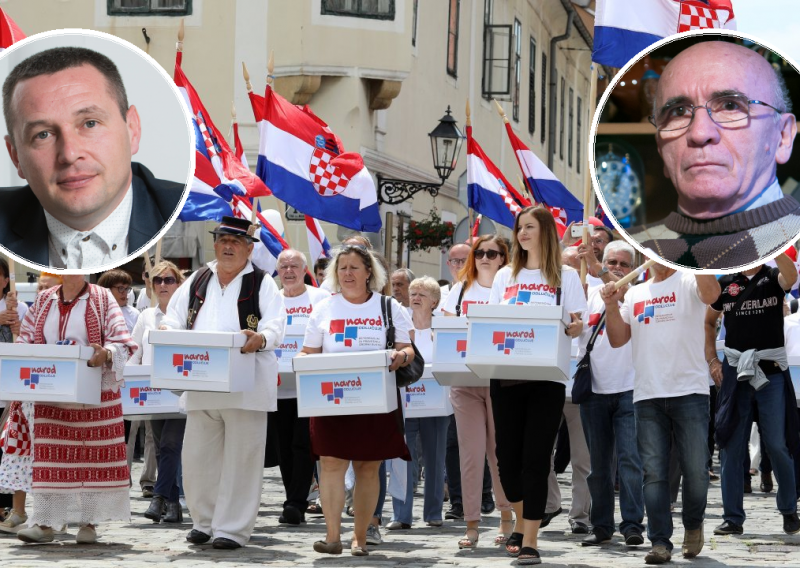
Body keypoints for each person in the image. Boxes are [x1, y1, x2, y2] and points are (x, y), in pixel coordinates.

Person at [161, 216, 286, 550]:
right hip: (201, 381)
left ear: (248, 248)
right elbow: (172, 318)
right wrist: (170, 334)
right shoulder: (197, 279)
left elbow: (276, 325)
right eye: (223, 240)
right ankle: (204, 521)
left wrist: (260, 338)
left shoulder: (262, 283)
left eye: (236, 242)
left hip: (247, 385)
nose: (228, 246)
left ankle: (231, 529)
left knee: (242, 460)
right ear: (215, 243)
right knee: (198, 458)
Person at [0, 46, 185, 269]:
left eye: (90, 123)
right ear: (15, 156)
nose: (69, 154)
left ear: (132, 130)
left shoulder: (190, 211)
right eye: (43, 134)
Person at [627, 41, 799, 269]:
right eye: (678, 111)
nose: (699, 133)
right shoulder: (626, 252)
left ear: (783, 137)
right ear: (661, 147)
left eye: (730, 106)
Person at [299, 244, 414, 556]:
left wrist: (401, 355)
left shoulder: (389, 307)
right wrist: (300, 360)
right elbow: (309, 352)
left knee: (367, 467)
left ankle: (359, 538)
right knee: (332, 465)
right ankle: (333, 536)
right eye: (342, 267)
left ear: (368, 273)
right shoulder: (324, 308)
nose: (347, 273)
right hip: (330, 400)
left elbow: (408, 348)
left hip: (375, 401)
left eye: (354, 267)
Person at [601, 263, 720, 564]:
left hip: (690, 391)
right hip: (647, 393)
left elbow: (713, 293)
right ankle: (660, 541)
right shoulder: (637, 291)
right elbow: (617, 339)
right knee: (653, 473)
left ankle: (693, 523)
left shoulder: (690, 278)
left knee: (695, 470)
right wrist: (611, 305)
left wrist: (696, 257)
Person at [488, 206, 587, 565]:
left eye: (529, 227)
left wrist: (576, 327)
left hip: (547, 378)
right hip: (506, 375)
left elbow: (579, 321)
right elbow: (492, 321)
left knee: (535, 459)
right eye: (519, 228)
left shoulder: (565, 277)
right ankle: (521, 517)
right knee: (505, 462)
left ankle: (530, 539)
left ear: (545, 231)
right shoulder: (504, 276)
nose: (522, 233)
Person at [14, 274, 137, 544]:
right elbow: (25, 339)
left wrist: (105, 353)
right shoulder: (44, 299)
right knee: (50, 458)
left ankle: (89, 524)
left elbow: (123, 342)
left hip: (95, 395)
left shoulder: (103, 298)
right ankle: (46, 523)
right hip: (51, 393)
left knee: (92, 458)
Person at [705, 253, 800, 536]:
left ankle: (788, 509)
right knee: (732, 445)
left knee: (777, 443)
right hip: (736, 374)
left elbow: (791, 277)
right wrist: (712, 360)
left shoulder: (772, 277)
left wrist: (776, 249)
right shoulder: (725, 283)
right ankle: (732, 517)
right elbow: (709, 322)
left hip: (770, 373)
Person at [442, 234, 515, 550]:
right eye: (480, 252)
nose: (485, 257)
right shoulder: (458, 291)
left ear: (503, 258)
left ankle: (507, 518)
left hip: (501, 381)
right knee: (470, 456)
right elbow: (444, 332)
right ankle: (471, 524)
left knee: (500, 454)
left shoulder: (509, 289)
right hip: (464, 381)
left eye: (492, 253)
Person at [576, 241, 646, 547]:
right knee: (598, 465)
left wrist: (600, 269)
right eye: (611, 262)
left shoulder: (637, 294)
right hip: (594, 390)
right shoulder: (588, 295)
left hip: (631, 388)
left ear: (634, 269)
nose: (616, 268)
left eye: (623, 264)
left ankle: (632, 524)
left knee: (630, 461)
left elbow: (618, 291)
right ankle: (601, 525)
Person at [272, 249, 330, 525]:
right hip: (278, 385)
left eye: (294, 265)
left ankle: (296, 502)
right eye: (283, 266)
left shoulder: (319, 298)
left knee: (301, 443)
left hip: (309, 385)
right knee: (283, 446)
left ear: (304, 269)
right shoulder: (271, 299)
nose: (288, 271)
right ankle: (292, 497)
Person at [387, 276, 448, 530]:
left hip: (437, 403)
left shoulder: (444, 328)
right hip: (406, 402)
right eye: (413, 293)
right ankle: (401, 515)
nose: (415, 297)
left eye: (422, 294)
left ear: (434, 301)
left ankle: (434, 512)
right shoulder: (401, 326)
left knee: (435, 459)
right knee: (402, 459)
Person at [129, 261, 186, 524]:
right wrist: (127, 381)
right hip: (152, 391)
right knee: (163, 449)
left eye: (169, 280)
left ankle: (159, 497)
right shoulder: (146, 316)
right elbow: (135, 353)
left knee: (171, 444)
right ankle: (173, 506)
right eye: (158, 280)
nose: (163, 285)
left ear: (179, 283)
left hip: (180, 389)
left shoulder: (188, 316)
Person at [0, 257, 30, 533]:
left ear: (6, 279)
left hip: (9, 386)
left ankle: (7, 505)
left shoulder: (18, 307)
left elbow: (25, 344)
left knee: (6, 445)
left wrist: (15, 325)